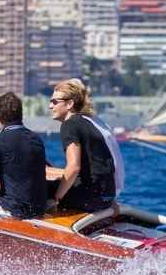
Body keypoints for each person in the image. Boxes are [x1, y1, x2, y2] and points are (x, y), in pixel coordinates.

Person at [47, 78, 123, 213]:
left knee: (37, 187)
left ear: (70, 103)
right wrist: (112, 200)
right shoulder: (92, 123)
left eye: (54, 102)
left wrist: (56, 198)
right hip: (106, 197)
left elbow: (74, 167)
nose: (50, 106)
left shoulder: (69, 124)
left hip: (88, 198)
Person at [0, 92, 47, 219]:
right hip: (38, 209)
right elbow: (20, 178)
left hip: (13, 211)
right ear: (21, 115)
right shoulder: (36, 139)